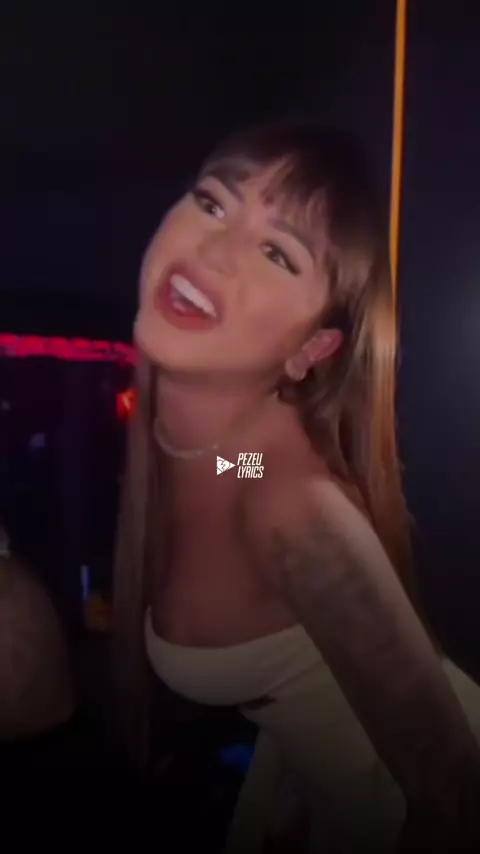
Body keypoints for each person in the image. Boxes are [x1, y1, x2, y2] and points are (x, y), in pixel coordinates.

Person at [112, 118, 480, 852]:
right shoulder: (212, 447)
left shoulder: (298, 515)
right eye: (212, 203)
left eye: (277, 253)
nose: (214, 251)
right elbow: (232, 475)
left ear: (311, 349)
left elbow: (458, 800)